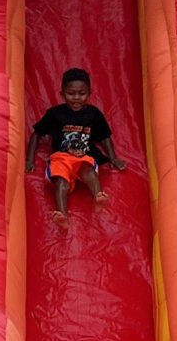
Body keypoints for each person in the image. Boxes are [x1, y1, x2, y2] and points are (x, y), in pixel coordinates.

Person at [28, 67, 126, 225]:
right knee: (61, 183)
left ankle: (98, 196)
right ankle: (62, 214)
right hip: (61, 158)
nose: (76, 98)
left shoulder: (93, 114)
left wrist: (113, 158)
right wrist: (29, 160)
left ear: (89, 94)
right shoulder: (55, 114)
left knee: (89, 172)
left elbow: (104, 137)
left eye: (82, 94)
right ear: (62, 94)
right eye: (71, 94)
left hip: (83, 157)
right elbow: (36, 134)